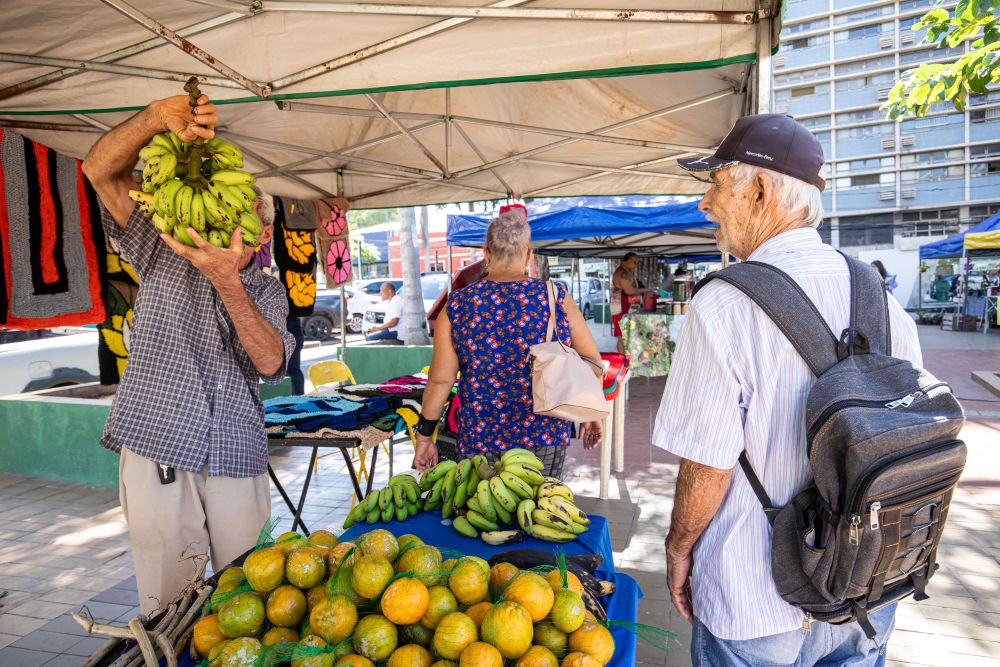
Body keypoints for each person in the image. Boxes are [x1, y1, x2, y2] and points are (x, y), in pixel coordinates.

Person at [653, 114, 921, 666]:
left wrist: (679, 549)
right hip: (865, 588)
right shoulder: (883, 300)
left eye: (715, 184)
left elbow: (708, 465)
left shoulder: (724, 305)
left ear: (759, 189)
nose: (705, 204)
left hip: (754, 597)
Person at [82, 94, 294, 614]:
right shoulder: (162, 248)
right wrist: (155, 118)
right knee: (169, 600)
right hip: (159, 441)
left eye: (239, 214)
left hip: (235, 451)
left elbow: (271, 363)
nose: (223, 219)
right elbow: (100, 172)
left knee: (247, 596)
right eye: (221, 208)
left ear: (264, 232)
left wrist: (228, 282)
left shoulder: (269, 292)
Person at [411, 208, 604, 473]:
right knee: (541, 500)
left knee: (482, 500)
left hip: (479, 437)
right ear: (528, 255)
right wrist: (590, 412)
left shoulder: (457, 305)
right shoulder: (556, 298)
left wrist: (424, 436)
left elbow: (441, 380)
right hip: (544, 434)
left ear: (486, 254)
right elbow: (592, 364)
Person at [611, 252, 653, 353]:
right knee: (622, 335)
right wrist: (646, 289)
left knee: (625, 334)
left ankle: (623, 357)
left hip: (624, 306)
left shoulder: (626, 272)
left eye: (637, 263)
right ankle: (622, 358)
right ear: (624, 261)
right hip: (621, 307)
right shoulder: (622, 273)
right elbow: (629, 291)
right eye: (634, 262)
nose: (636, 265)